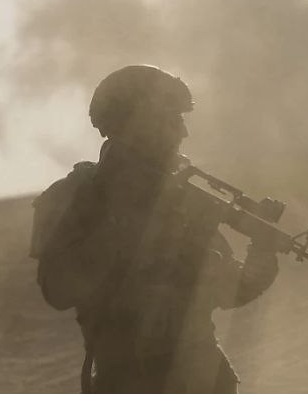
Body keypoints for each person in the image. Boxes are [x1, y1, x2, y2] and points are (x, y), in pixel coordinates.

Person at [30, 65, 279, 394]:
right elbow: (57, 290)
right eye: (171, 119)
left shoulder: (182, 197)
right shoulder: (77, 198)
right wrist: (128, 228)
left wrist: (263, 247)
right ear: (138, 125)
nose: (182, 133)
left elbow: (230, 290)